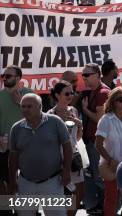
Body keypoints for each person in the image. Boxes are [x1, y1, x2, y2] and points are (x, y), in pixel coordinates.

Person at [8, 93, 72, 216]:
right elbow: (13, 157)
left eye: (29, 106)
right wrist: (12, 180)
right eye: (23, 106)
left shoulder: (55, 122)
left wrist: (66, 171)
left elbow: (67, 147)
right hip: (25, 182)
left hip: (52, 181)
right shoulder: (16, 128)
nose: (25, 109)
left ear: (39, 107)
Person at [95, 86, 122, 216]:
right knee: (112, 199)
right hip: (112, 165)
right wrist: (110, 160)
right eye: (121, 99)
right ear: (113, 101)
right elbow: (98, 144)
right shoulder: (106, 119)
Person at [48, 80, 85, 216]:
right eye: (67, 93)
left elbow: (78, 138)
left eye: (72, 92)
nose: (71, 96)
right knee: (64, 192)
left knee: (79, 192)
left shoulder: (73, 110)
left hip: (74, 154)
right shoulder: (50, 114)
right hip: (58, 158)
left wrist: (79, 125)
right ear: (57, 95)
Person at [81, 63, 110, 213]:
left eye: (87, 75)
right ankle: (103, 205)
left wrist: (85, 110)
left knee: (100, 176)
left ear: (98, 75)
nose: (84, 78)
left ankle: (105, 206)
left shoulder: (102, 93)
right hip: (93, 141)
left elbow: (99, 119)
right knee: (96, 175)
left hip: (98, 142)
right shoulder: (95, 91)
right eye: (83, 75)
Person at [0, 66, 33, 195]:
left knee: (29, 182)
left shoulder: (29, 94)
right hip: (4, 148)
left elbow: (38, 118)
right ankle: (8, 210)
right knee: (6, 181)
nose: (4, 78)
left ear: (18, 78)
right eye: (3, 76)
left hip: (27, 146)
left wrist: (20, 103)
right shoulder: (0, 96)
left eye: (8, 76)